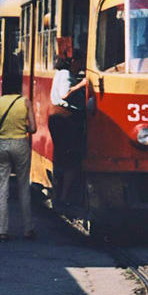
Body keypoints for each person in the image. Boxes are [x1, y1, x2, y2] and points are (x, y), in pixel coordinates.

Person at [0, 89, 36, 242]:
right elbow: (33, 128)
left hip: (2, 145)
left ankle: (2, 231)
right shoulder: (25, 102)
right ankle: (28, 229)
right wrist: (22, 127)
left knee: (2, 187)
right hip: (20, 144)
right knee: (23, 187)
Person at [49, 56, 86, 204]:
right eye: (81, 61)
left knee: (62, 156)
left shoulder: (60, 73)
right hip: (66, 118)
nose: (82, 65)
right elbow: (65, 94)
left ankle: (58, 195)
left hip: (59, 117)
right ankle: (64, 197)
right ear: (73, 61)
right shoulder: (65, 74)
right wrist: (81, 84)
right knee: (71, 159)